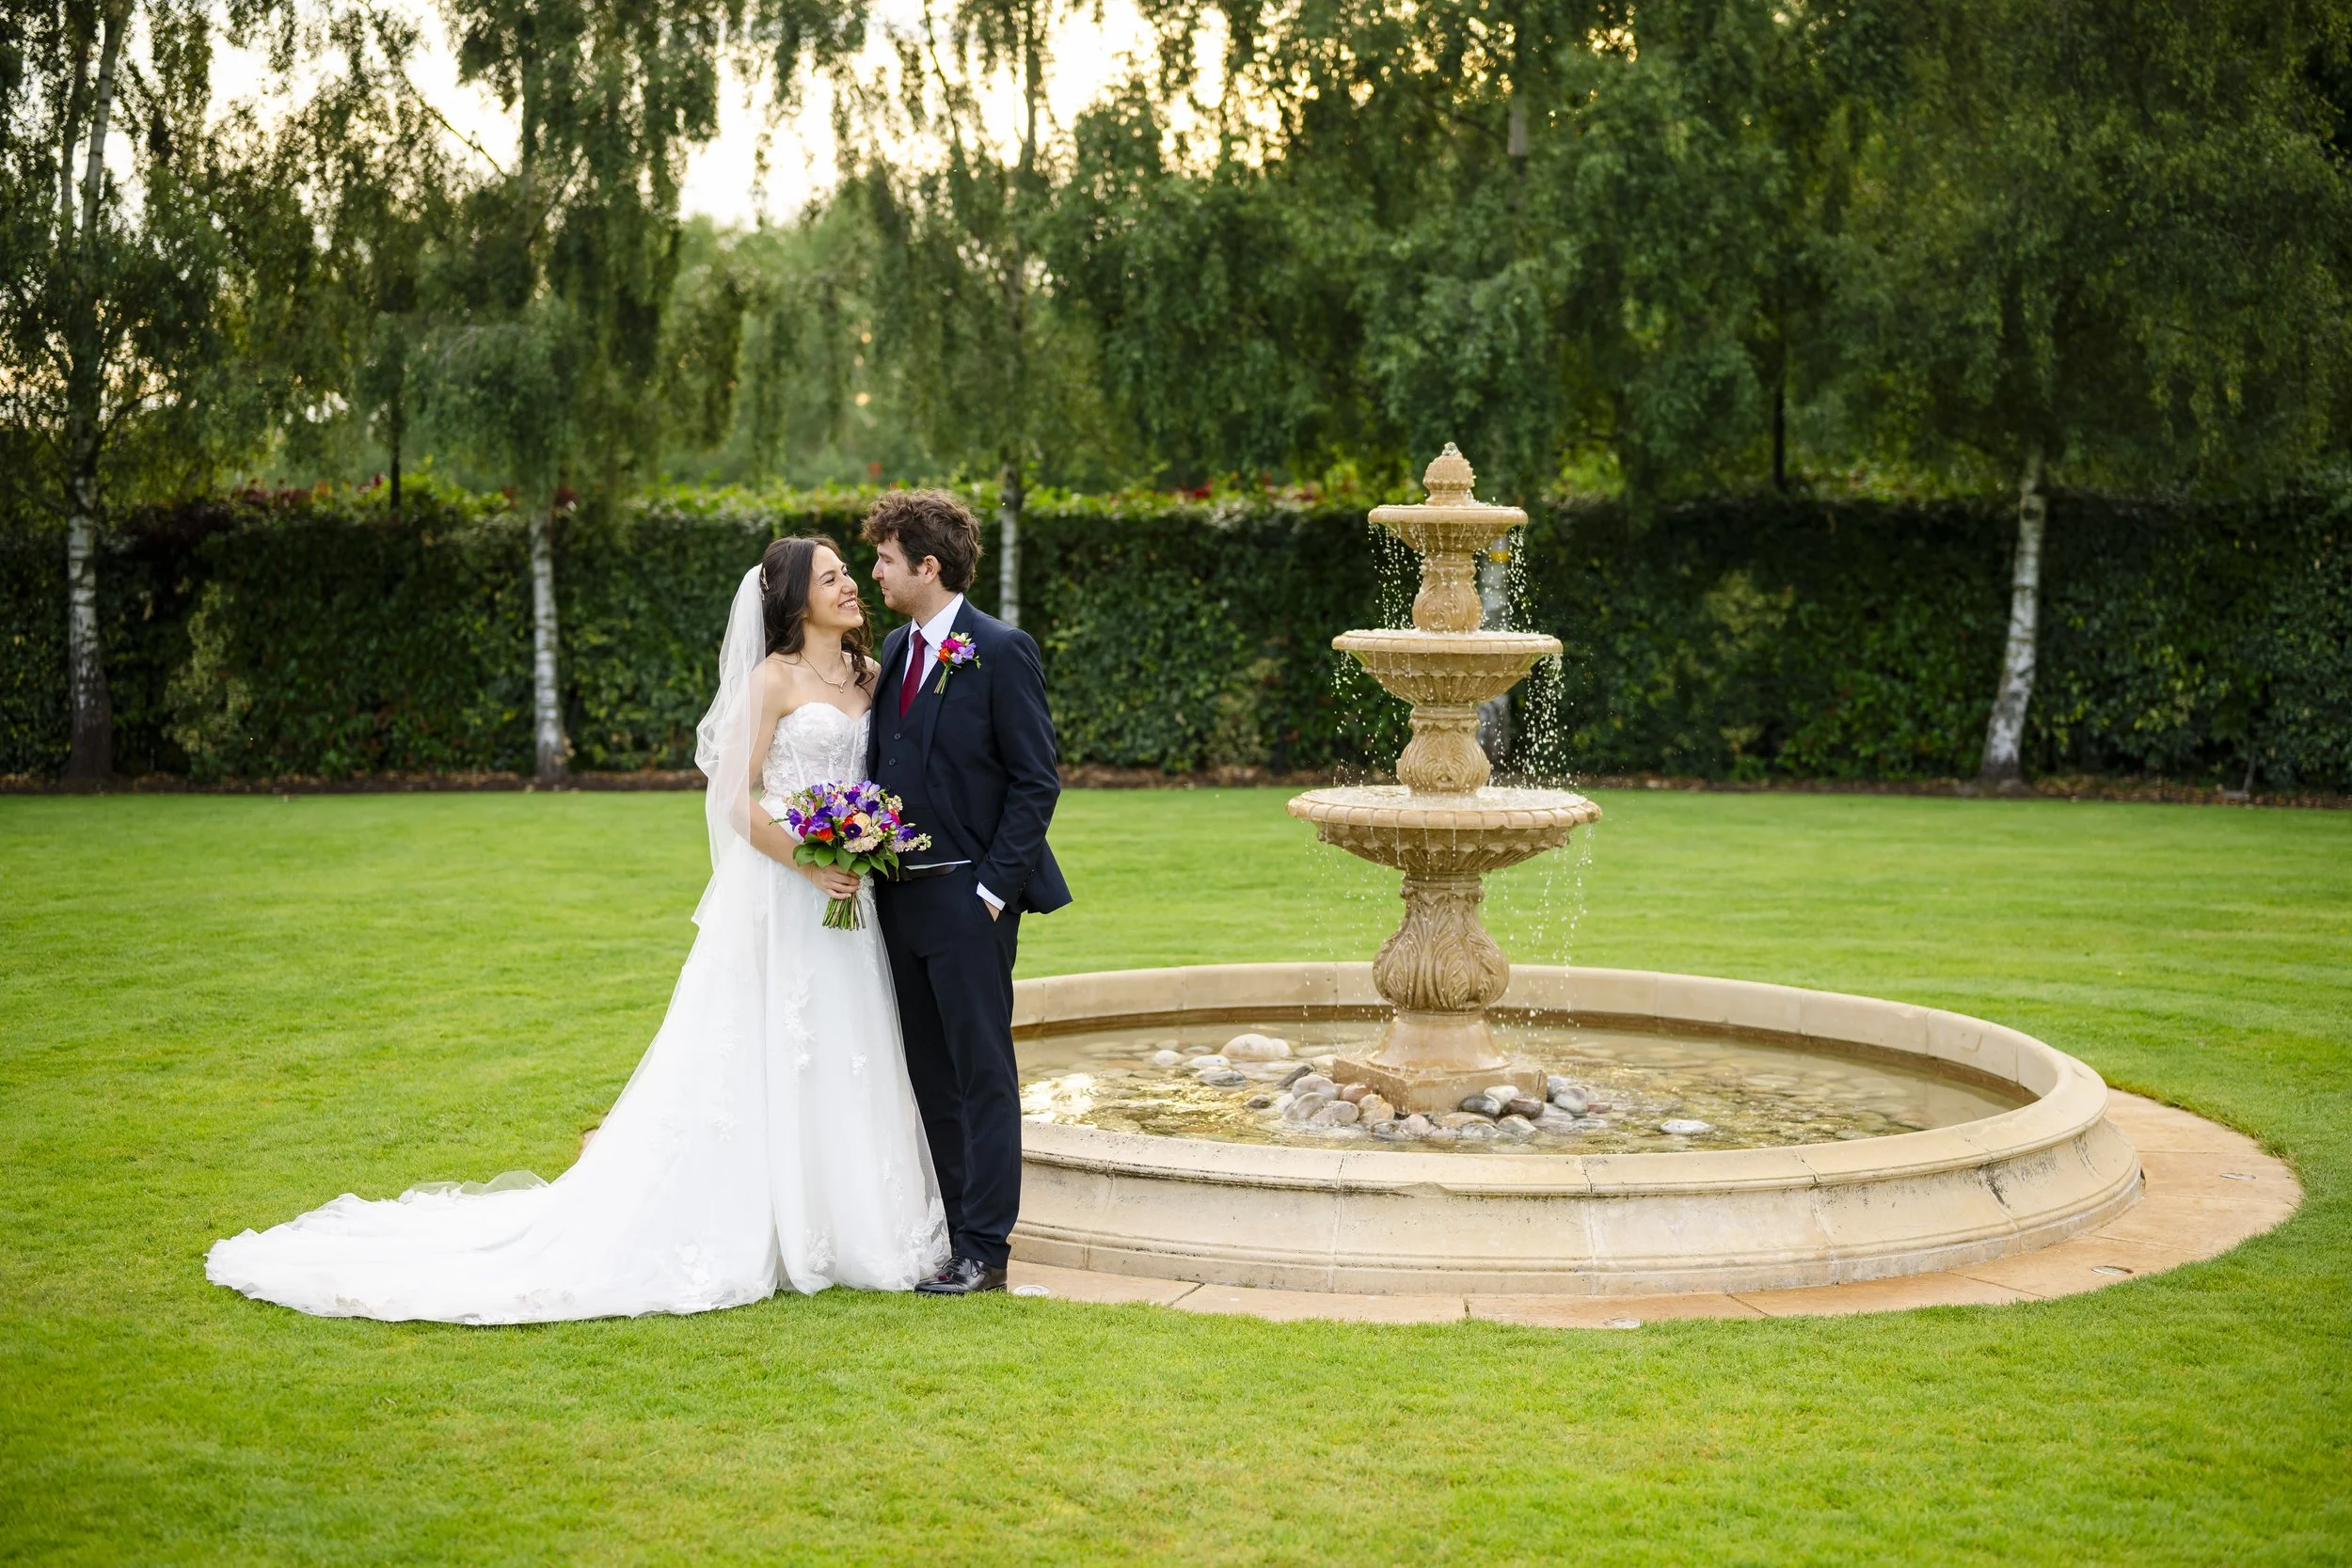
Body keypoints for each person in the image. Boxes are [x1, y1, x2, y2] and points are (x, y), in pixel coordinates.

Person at [204, 538, 950, 1323]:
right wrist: (809, 861)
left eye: (846, 574)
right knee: (771, 1043)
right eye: (831, 576)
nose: (849, 586)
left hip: (853, 895)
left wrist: (863, 844)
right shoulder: (772, 679)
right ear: (798, 598)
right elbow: (736, 798)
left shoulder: (873, 676)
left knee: (846, 1044)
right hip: (794, 888)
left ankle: (850, 1220)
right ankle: (768, 1220)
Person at [865, 490, 1071, 1295]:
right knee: (928, 1074)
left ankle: (988, 1248)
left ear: (928, 566)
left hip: (968, 902)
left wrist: (991, 890)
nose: (874, 571)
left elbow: (1035, 780)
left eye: (886, 559)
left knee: (982, 1072)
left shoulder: (1001, 649)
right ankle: (956, 1237)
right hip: (898, 899)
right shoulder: (893, 646)